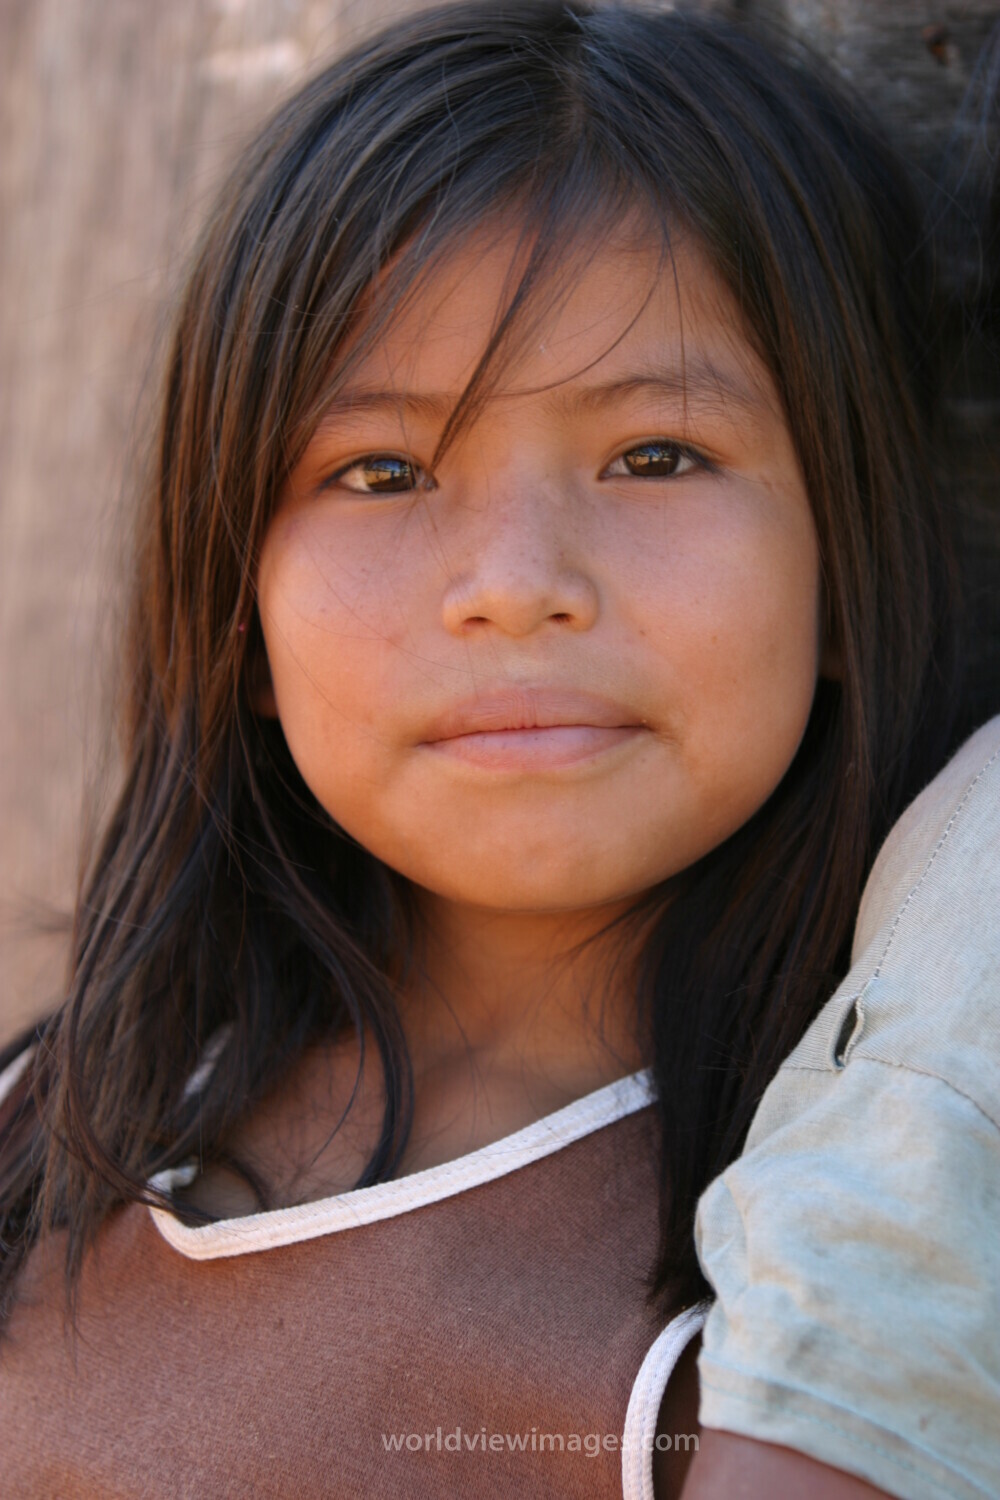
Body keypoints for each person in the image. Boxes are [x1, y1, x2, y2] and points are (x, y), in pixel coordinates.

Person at [0, 3, 991, 1496]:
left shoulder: (846, 1297)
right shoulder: (50, 1140)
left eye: (657, 455)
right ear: (240, 611)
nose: (515, 580)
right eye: (381, 469)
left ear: (848, 571)